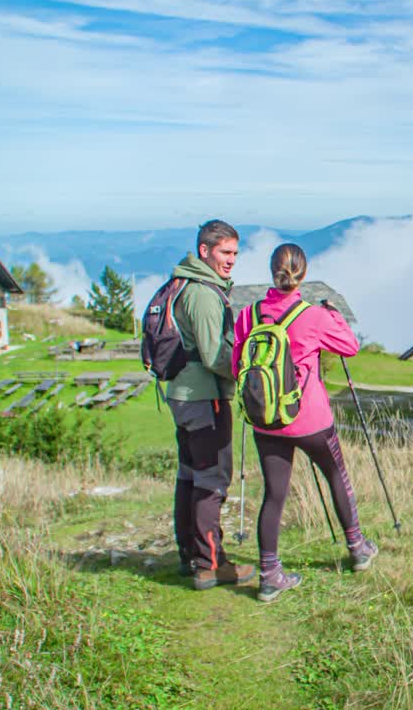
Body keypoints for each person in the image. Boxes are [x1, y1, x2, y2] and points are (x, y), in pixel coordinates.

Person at [232, 243, 378, 602]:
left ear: (271, 271)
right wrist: (334, 315)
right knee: (336, 477)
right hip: (310, 418)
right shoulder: (312, 316)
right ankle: (357, 548)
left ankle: (269, 575)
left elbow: (238, 363)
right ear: (303, 273)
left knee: (274, 495)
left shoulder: (248, 316)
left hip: (266, 419)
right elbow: (349, 347)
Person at [167, 219, 256, 590]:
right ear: (204, 251)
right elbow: (213, 353)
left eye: (235, 252)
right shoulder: (203, 293)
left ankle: (190, 553)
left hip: (182, 394)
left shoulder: (182, 282)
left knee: (189, 476)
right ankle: (209, 564)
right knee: (211, 480)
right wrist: (246, 369)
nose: (231, 260)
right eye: (225, 252)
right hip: (205, 398)